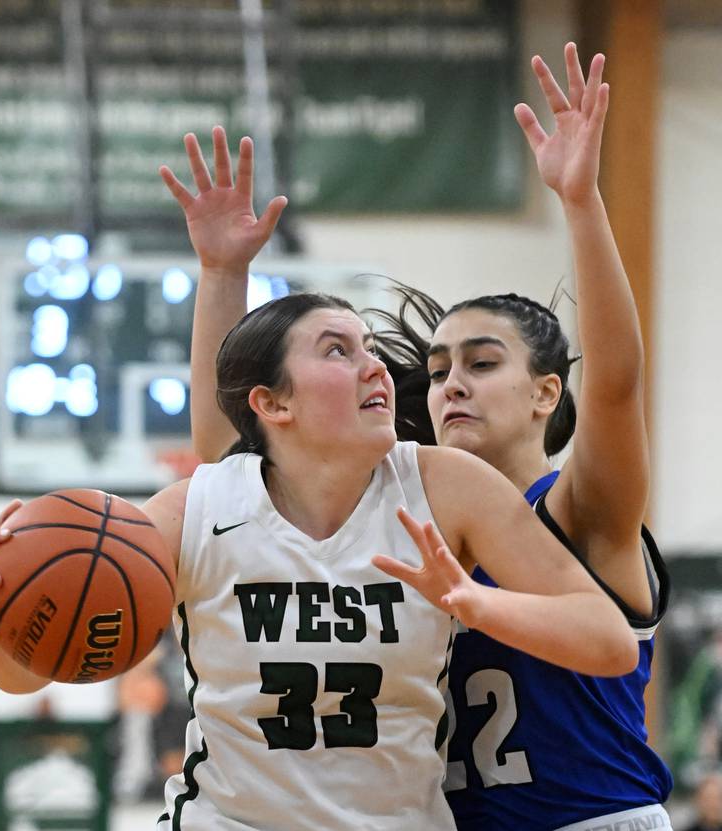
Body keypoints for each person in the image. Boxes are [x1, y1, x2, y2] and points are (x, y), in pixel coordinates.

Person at [178, 44, 673, 831]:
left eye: (482, 362)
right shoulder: (419, 505)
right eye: (438, 369)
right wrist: (222, 276)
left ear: (548, 390)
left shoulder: (578, 511)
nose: (450, 384)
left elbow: (616, 385)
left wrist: (580, 202)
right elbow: (231, 450)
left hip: (589, 819)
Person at [0, 289, 637, 829]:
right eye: (337, 351)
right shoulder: (201, 507)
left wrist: (473, 601)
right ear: (271, 402)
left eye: (369, 347)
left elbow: (610, 642)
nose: (373, 365)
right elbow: (19, 671)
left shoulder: (445, 486)